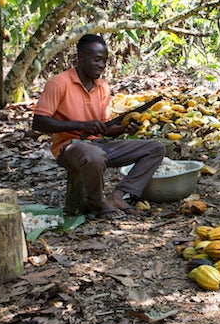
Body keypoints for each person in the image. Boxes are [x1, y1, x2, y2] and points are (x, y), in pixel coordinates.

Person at [32, 34, 165, 218]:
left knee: (156, 148)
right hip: (69, 148)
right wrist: (81, 126)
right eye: (97, 59)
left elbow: (103, 129)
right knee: (93, 155)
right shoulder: (59, 83)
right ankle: (97, 202)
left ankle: (118, 196)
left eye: (104, 60)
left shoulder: (102, 87)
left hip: (100, 147)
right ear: (81, 57)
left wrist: (124, 129)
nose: (102, 65)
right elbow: (39, 122)